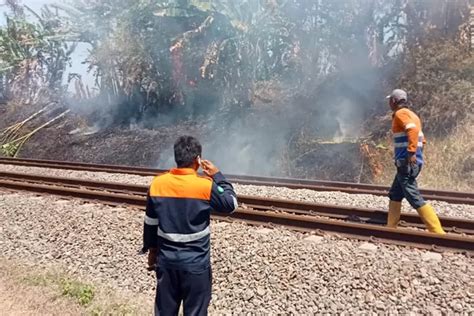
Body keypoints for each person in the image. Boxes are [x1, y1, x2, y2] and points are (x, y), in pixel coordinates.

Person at [142, 135, 238, 316]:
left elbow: (150, 222)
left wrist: (152, 250)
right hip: (196, 266)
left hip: (167, 263)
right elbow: (231, 204)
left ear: (176, 158)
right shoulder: (205, 186)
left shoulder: (157, 184)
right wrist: (217, 175)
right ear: (198, 160)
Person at [385, 89, 445, 234]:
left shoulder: (401, 114)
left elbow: (411, 131)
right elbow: (422, 139)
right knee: (395, 193)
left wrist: (411, 153)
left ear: (393, 101)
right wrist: (418, 156)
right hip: (409, 162)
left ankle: (437, 231)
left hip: (406, 162)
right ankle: (390, 228)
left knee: (413, 196)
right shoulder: (413, 115)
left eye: (389, 101)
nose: (388, 103)